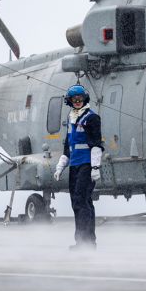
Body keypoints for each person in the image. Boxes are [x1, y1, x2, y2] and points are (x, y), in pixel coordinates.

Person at [54, 84, 103, 250]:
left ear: (84, 100)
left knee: (82, 202)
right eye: (74, 99)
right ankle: (84, 241)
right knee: (78, 202)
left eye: (80, 99)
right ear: (70, 101)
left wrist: (95, 167)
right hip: (74, 165)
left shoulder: (91, 118)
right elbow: (68, 146)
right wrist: (60, 167)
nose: (77, 101)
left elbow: (96, 145)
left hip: (86, 165)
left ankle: (85, 242)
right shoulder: (70, 119)